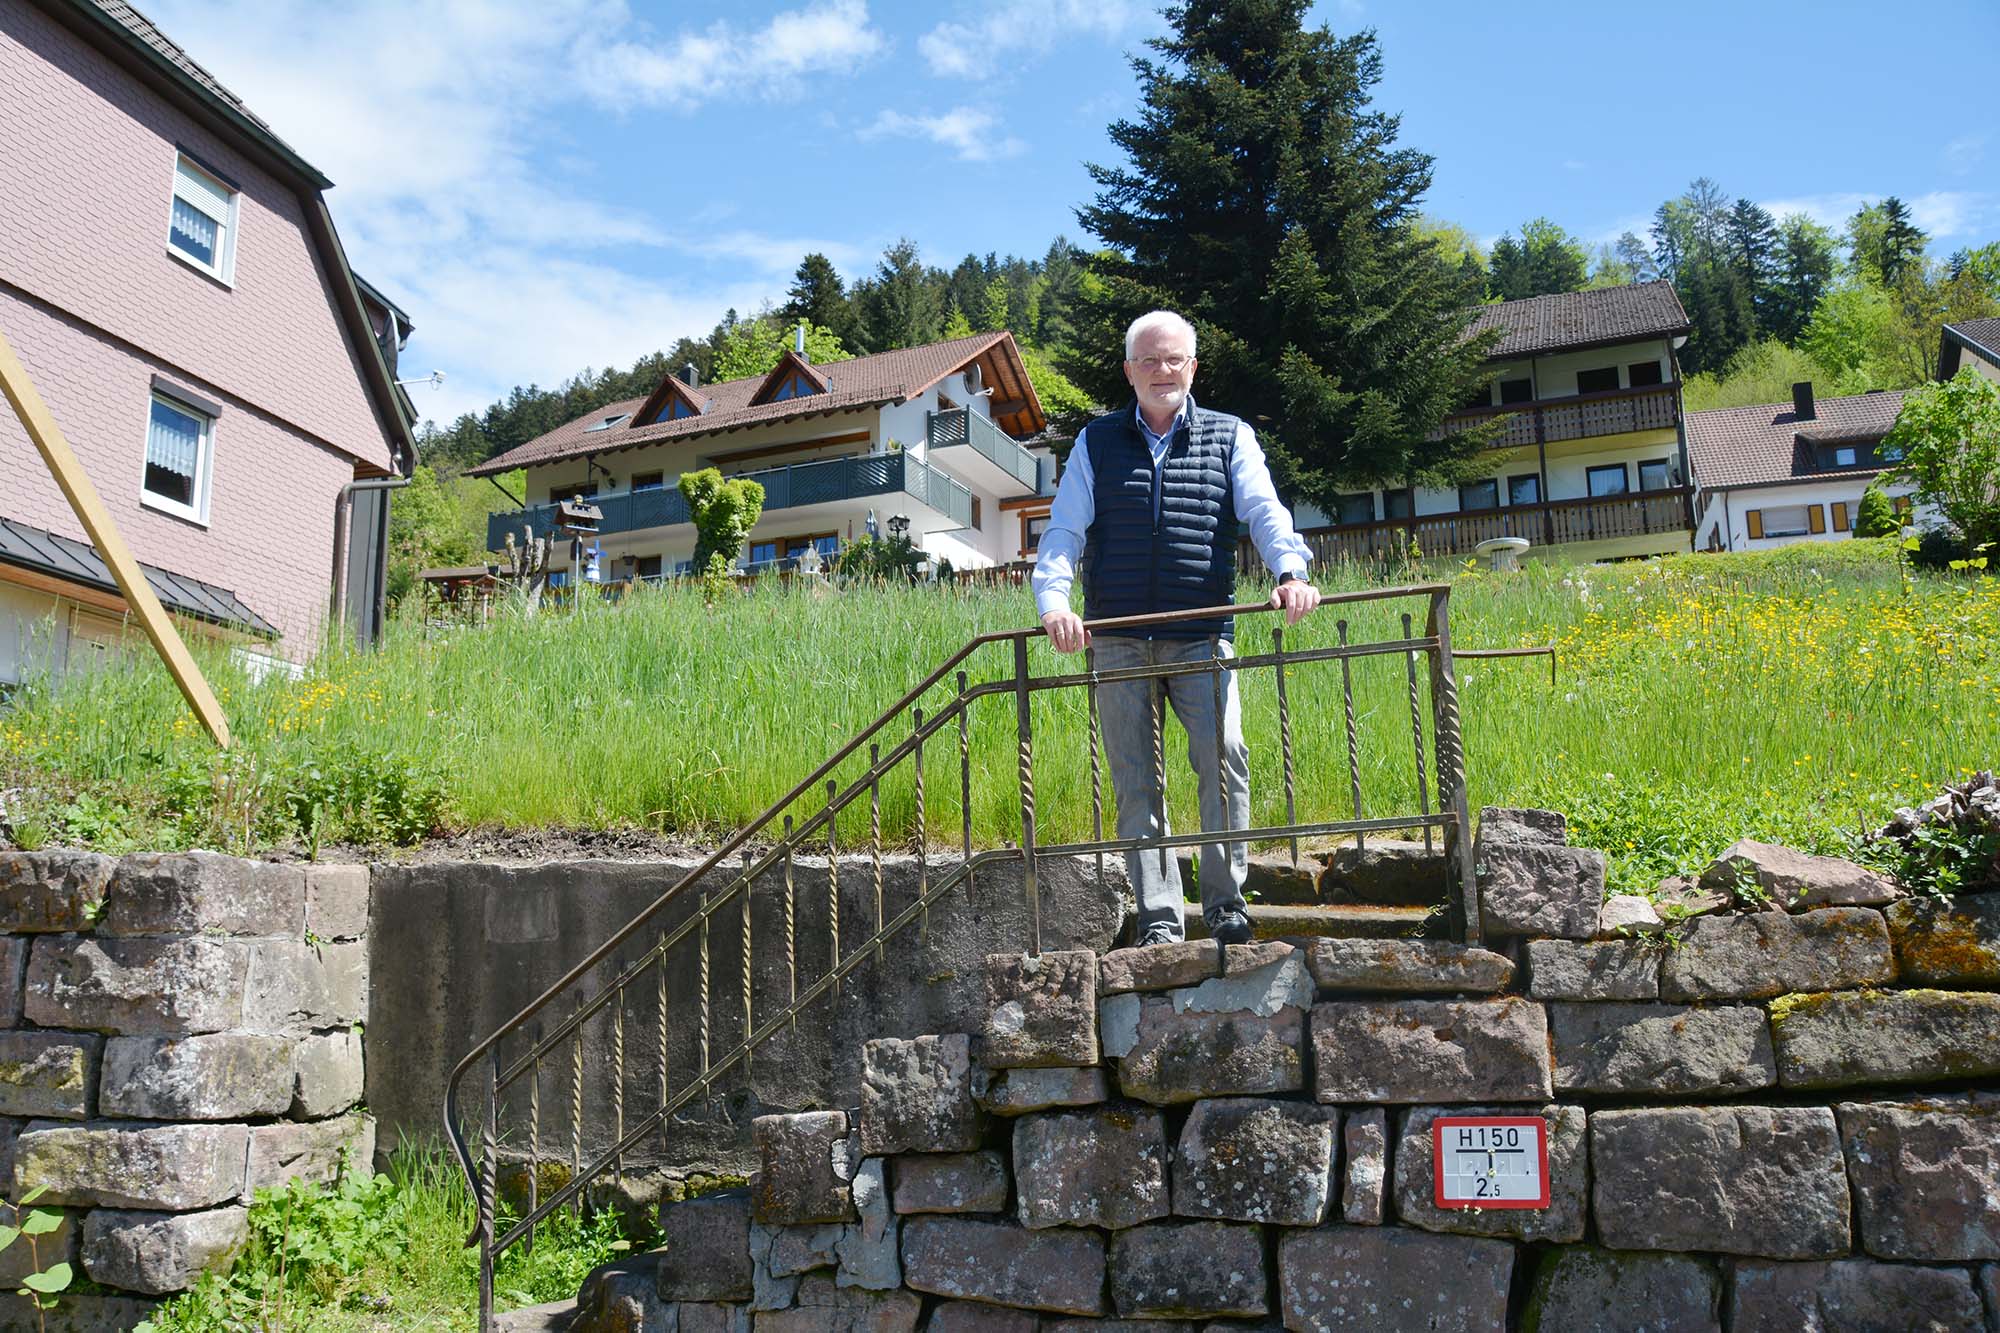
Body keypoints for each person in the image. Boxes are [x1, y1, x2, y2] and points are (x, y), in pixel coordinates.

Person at [1033, 310, 1320, 947]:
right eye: (1150, 360)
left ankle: (1225, 905)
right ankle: (1160, 918)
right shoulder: (1096, 441)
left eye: (1175, 360)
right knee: (1136, 779)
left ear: (1192, 367)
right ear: (1130, 370)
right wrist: (1054, 602)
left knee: (1224, 758)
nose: (1163, 371)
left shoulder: (1229, 436)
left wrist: (1291, 569)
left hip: (1202, 631)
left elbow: (1265, 511)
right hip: (1118, 635)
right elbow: (1064, 531)